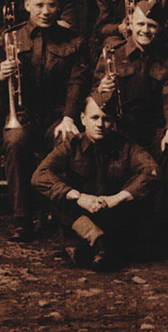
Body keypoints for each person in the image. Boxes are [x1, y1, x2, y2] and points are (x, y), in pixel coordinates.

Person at [0, 0, 90, 241]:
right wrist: (0, 75)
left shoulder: (74, 41)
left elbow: (77, 83)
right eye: (39, 4)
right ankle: (22, 218)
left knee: (67, 140)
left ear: (59, 8)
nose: (45, 11)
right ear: (27, 5)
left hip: (56, 117)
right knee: (14, 141)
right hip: (22, 117)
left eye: (52, 5)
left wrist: (68, 117)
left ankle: (59, 213)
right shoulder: (9, 38)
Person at [94, 0, 168, 259]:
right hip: (121, 130)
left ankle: (156, 236)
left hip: (154, 128)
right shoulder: (113, 52)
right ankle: (112, 236)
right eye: (141, 24)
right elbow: (95, 97)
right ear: (130, 25)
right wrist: (102, 93)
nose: (146, 30)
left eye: (152, 25)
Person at [32, 90, 160, 271]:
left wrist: (115, 199)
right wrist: (78, 197)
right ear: (83, 119)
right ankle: (97, 241)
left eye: (106, 118)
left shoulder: (126, 146)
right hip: (79, 217)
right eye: (94, 118)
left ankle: (96, 247)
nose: (100, 124)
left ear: (113, 122)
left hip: (113, 214)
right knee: (56, 191)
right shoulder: (71, 146)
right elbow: (40, 175)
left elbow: (151, 171)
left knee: (141, 190)